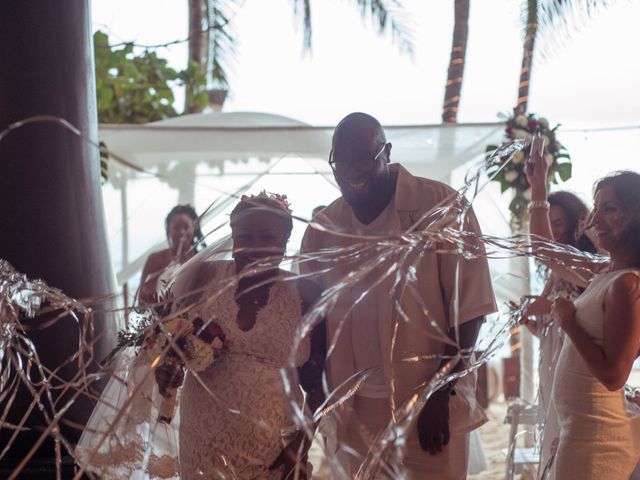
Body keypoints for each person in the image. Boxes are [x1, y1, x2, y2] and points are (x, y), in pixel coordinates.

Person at [300, 112, 496, 479]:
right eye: (340, 163)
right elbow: (313, 318)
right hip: (353, 409)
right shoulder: (324, 228)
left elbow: (470, 310)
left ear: (386, 152)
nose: (350, 172)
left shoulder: (440, 206)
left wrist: (441, 393)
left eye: (362, 161)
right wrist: (315, 393)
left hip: (427, 401)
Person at [157, 193, 326, 480]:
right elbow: (173, 345)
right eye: (245, 236)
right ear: (233, 236)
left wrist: (300, 445)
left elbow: (323, 384)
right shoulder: (203, 277)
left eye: (267, 237)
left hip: (275, 449)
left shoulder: (306, 293)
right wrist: (166, 369)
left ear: (286, 241)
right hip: (201, 437)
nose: (255, 247)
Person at [527, 154, 640, 478]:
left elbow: (614, 375)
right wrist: (538, 188)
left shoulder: (627, 284)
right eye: (597, 207)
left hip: (598, 437)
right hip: (581, 427)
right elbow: (544, 250)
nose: (595, 220)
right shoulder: (604, 272)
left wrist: (568, 322)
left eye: (610, 209)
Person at [520, 191, 596, 477]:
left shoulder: (590, 265)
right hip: (553, 363)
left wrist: (548, 306)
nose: (552, 232)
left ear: (578, 223)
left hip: (578, 364)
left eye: (559, 224)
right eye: (548, 224)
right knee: (552, 433)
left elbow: (589, 319)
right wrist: (533, 324)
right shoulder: (556, 273)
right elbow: (553, 329)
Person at [137, 204, 205, 306]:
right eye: (177, 227)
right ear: (169, 230)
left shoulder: (202, 259)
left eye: (186, 227)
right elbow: (142, 301)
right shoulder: (155, 259)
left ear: (194, 228)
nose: (182, 232)